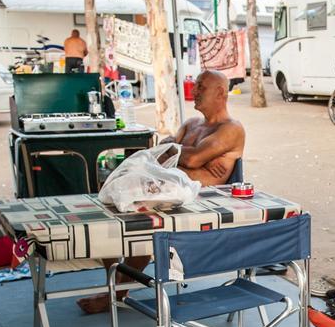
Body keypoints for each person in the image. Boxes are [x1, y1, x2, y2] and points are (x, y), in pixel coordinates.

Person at [77, 70, 246, 314]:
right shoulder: (192, 124)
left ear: (220, 92)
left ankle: (117, 292)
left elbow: (194, 157)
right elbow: (160, 153)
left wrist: (178, 153)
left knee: (144, 221)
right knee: (109, 204)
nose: (194, 91)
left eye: (201, 86)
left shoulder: (232, 128)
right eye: (195, 85)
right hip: (165, 194)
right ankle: (115, 286)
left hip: (197, 205)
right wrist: (181, 155)